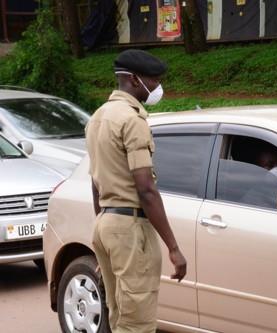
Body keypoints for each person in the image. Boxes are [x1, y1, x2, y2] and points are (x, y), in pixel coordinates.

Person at [85, 49, 186, 333]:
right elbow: (146, 189)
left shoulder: (98, 117)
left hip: (106, 223)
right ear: (133, 80)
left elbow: (94, 181)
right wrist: (174, 248)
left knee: (119, 317)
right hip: (131, 230)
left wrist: (101, 230)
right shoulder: (132, 120)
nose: (157, 88)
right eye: (153, 81)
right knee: (136, 323)